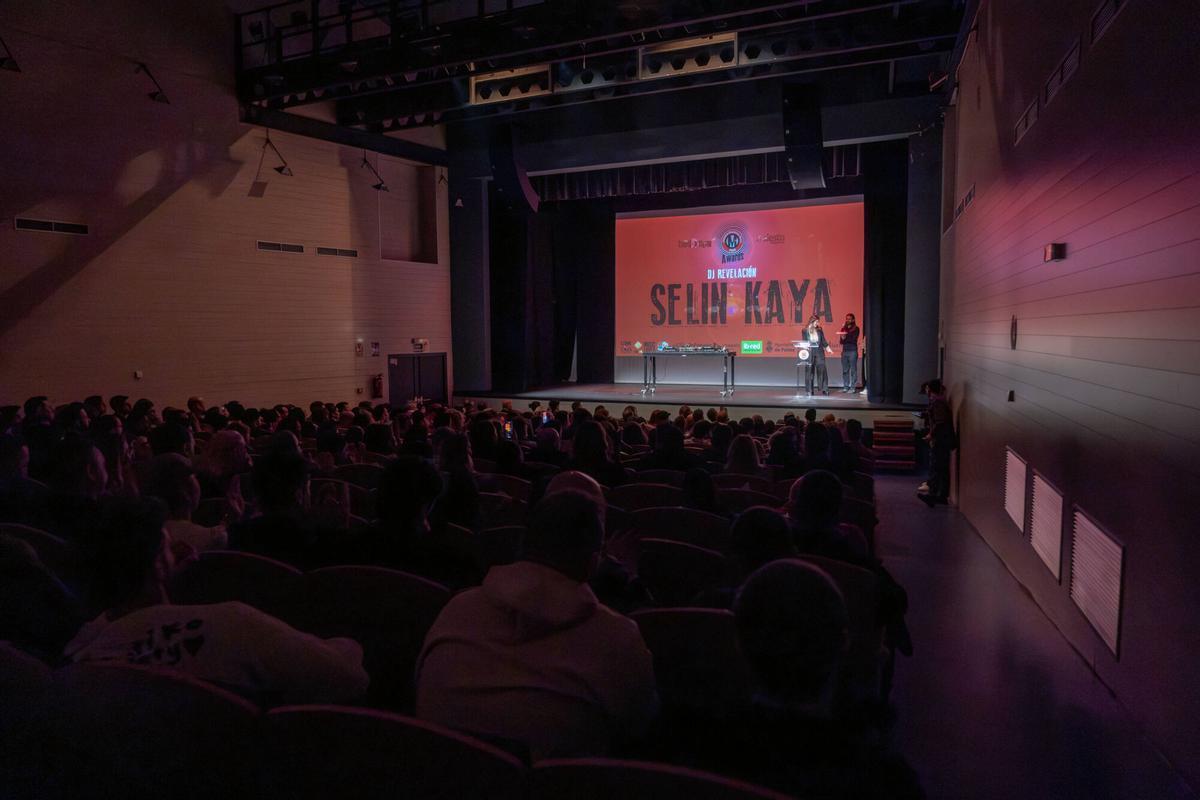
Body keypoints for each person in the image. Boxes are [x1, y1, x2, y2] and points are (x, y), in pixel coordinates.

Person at [415, 490, 658, 759]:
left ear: (523, 544)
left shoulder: (457, 610)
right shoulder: (618, 640)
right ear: (593, 564)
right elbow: (639, 725)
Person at [66, 496, 368, 705]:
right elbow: (348, 677)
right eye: (167, 545)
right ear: (157, 564)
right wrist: (351, 645)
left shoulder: (77, 658)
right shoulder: (231, 625)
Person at [919, 379, 955, 508]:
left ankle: (932, 495)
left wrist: (931, 435)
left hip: (940, 441)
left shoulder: (937, 403)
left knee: (936, 467)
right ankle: (941, 496)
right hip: (944, 440)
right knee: (942, 469)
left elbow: (940, 422)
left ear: (930, 389)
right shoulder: (940, 401)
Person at [804, 315, 833, 395]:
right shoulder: (805, 330)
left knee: (822, 370)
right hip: (810, 352)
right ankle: (809, 390)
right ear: (812, 321)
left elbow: (823, 341)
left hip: (819, 352)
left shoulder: (819, 330)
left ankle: (825, 389)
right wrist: (805, 347)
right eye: (816, 321)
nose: (818, 323)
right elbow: (804, 341)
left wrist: (828, 349)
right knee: (809, 371)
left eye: (818, 321)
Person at [836, 313, 860, 393]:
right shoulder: (843, 329)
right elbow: (841, 342)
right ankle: (846, 387)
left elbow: (853, 340)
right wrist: (843, 337)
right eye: (847, 319)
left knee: (853, 370)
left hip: (852, 351)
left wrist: (845, 337)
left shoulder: (856, 328)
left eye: (849, 319)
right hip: (845, 351)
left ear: (853, 320)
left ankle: (852, 388)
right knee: (845, 370)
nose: (847, 320)